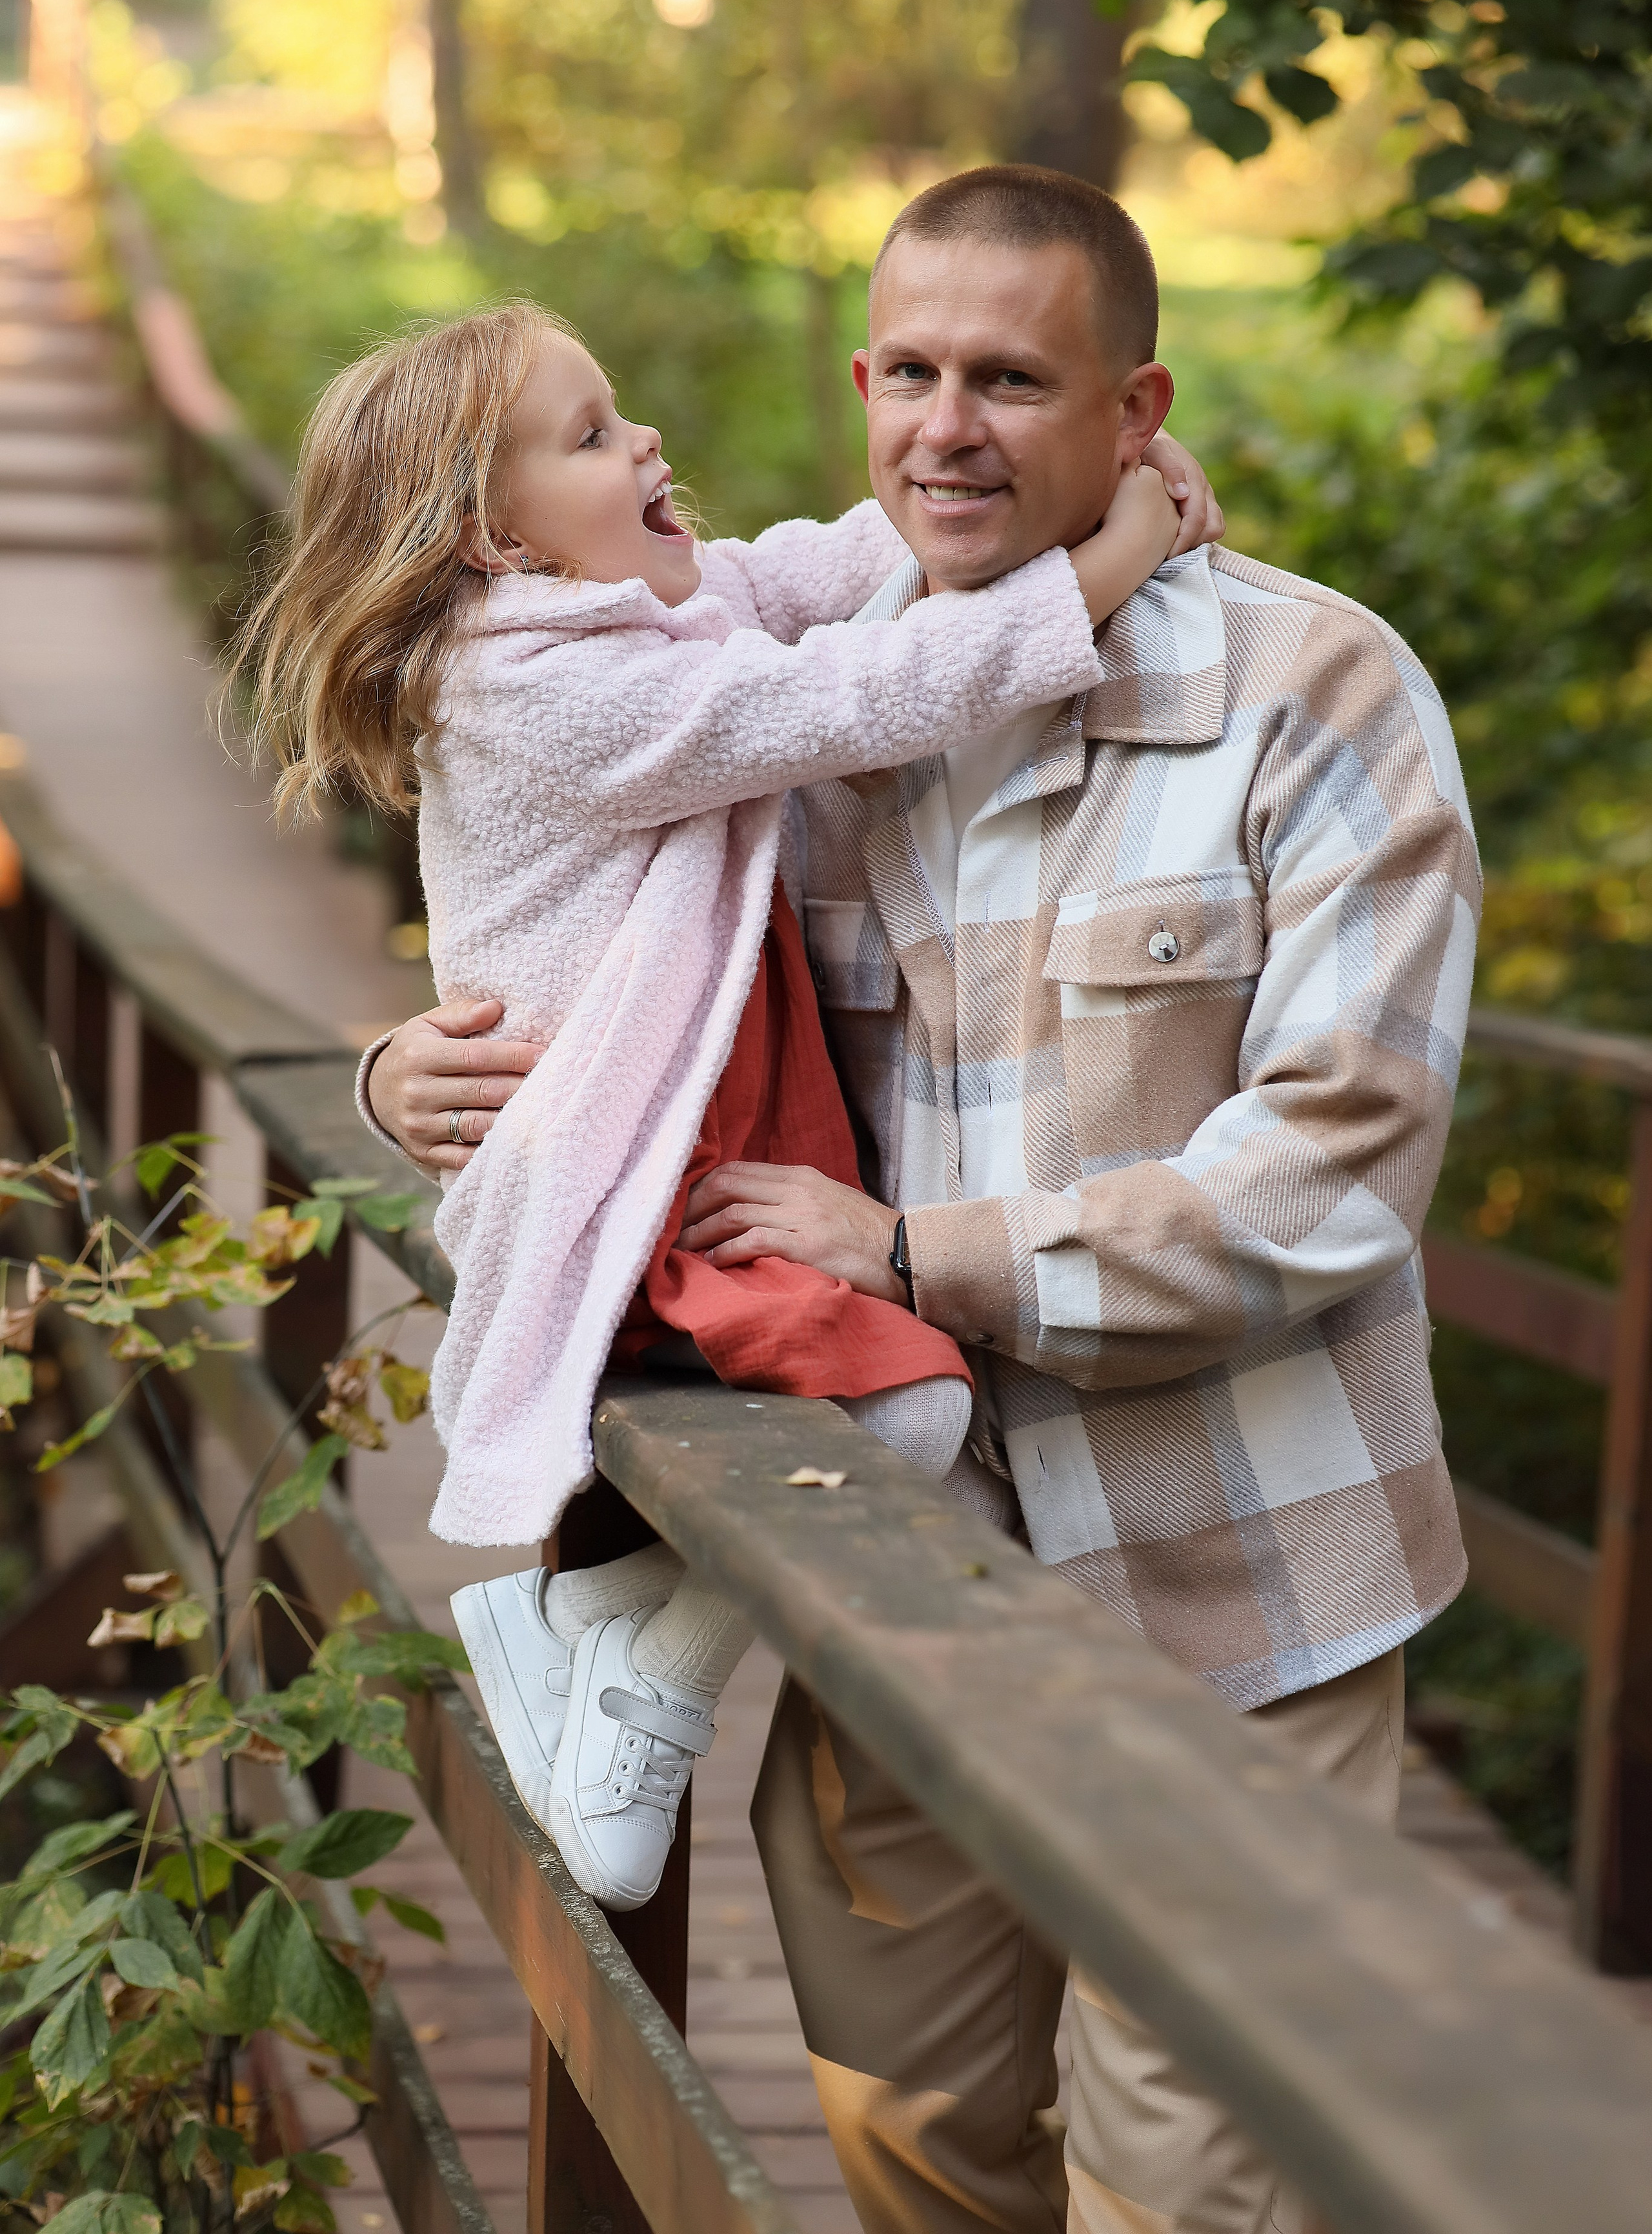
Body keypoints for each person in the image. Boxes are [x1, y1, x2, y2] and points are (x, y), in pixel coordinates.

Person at [363, 167, 1478, 2234]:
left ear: (1134, 411)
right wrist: (409, 1064)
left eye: (1015, 380)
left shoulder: (1314, 698)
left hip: (1240, 1581)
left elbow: (1335, 1175)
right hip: (900, 1582)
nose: (946, 427)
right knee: (911, 2150)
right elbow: (608, 948)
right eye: (912, 373)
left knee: (1189, 2197)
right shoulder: (795, 673)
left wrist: (915, 1259)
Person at [235, 294, 1205, 1917]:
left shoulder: (639, 620)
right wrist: (1104, 567)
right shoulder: (536, 690)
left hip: (700, 1146)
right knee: (905, 1410)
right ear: (496, 539)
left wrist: (1071, 477)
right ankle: (628, 1663)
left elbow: (827, 570)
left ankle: (606, 1637)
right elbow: (857, 698)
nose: (647, 443)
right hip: (625, 1176)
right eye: (596, 436)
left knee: (891, 1403)